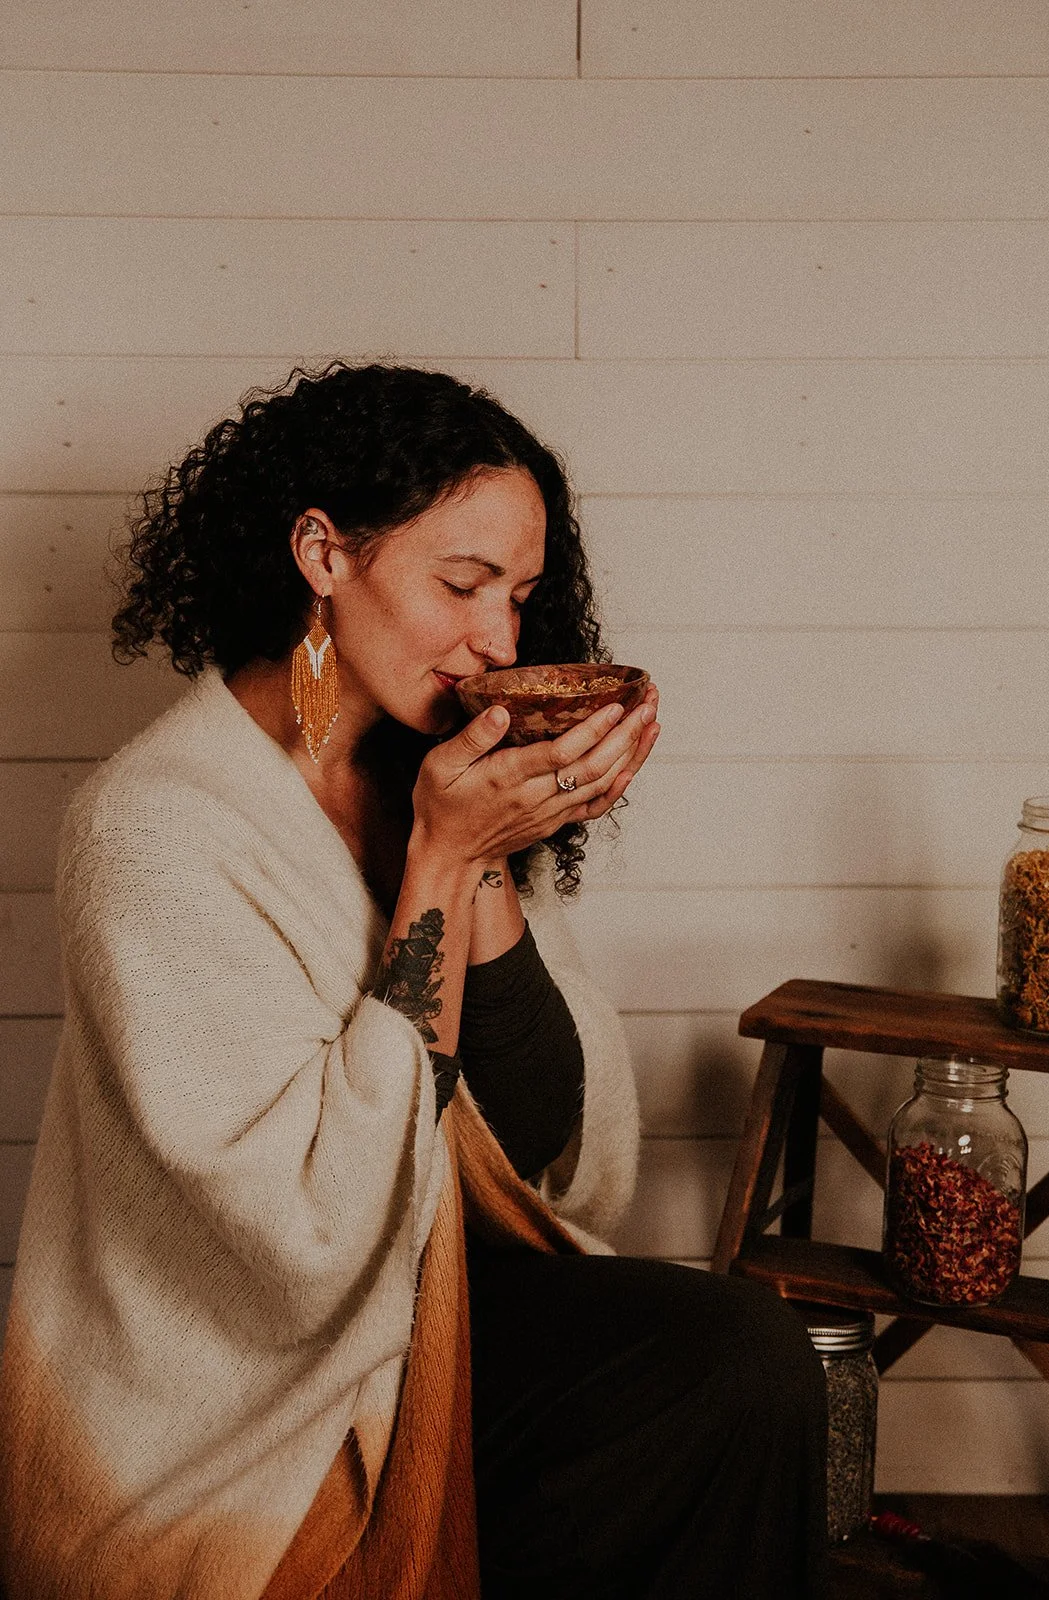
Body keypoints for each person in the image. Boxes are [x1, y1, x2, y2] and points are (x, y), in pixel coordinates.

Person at [0, 362, 827, 1599]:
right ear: (323, 554)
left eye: (524, 595)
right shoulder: (153, 825)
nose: (500, 639)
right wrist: (443, 858)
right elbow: (304, 1245)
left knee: (745, 1355)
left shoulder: (434, 778)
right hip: (244, 1402)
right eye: (463, 584)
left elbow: (551, 1157)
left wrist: (478, 849)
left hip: (434, 1310)